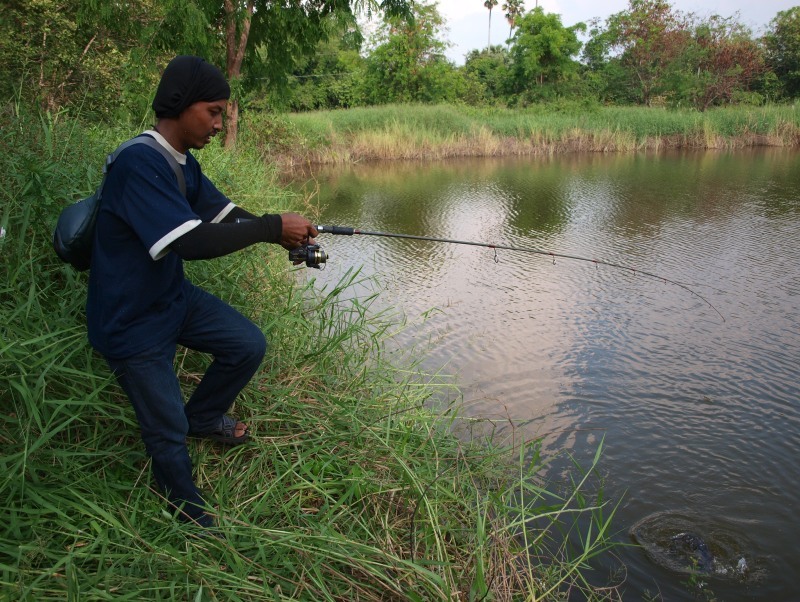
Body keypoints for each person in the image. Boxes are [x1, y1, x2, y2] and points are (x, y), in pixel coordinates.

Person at [86, 55, 318, 529]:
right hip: (131, 323)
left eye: (221, 113)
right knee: (165, 429)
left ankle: (204, 417)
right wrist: (271, 227)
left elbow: (223, 214)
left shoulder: (180, 163)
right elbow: (190, 241)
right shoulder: (138, 162)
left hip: (170, 300)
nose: (218, 123)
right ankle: (186, 510)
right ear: (179, 104)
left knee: (246, 344)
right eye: (212, 111)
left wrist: (283, 233)